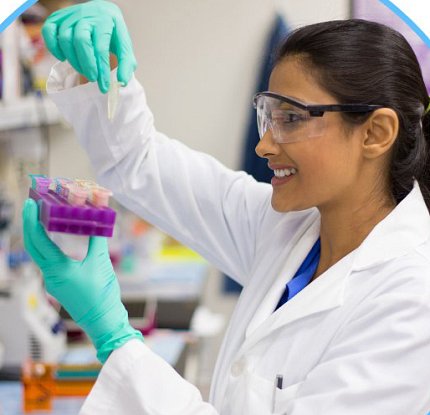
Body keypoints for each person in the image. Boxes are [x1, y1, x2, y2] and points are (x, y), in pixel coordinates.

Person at [22, 1, 430, 414]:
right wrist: (103, 69)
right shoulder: (288, 229)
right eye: (268, 116)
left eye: (291, 118)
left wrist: (114, 335)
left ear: (376, 133)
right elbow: (139, 163)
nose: (264, 145)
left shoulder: (413, 301)